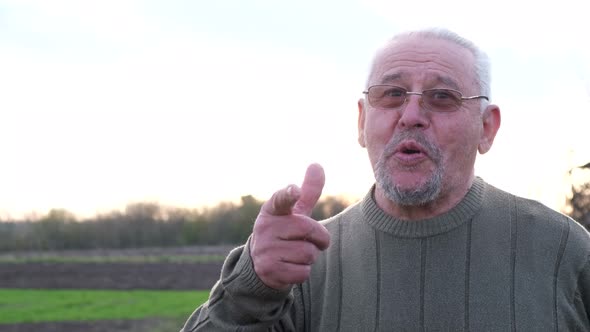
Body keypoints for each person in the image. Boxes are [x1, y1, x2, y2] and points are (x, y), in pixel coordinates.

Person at [181, 28, 590, 331]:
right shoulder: (300, 267)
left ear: (487, 127)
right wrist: (251, 288)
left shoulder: (563, 250)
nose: (410, 115)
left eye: (442, 97)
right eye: (391, 94)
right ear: (362, 121)